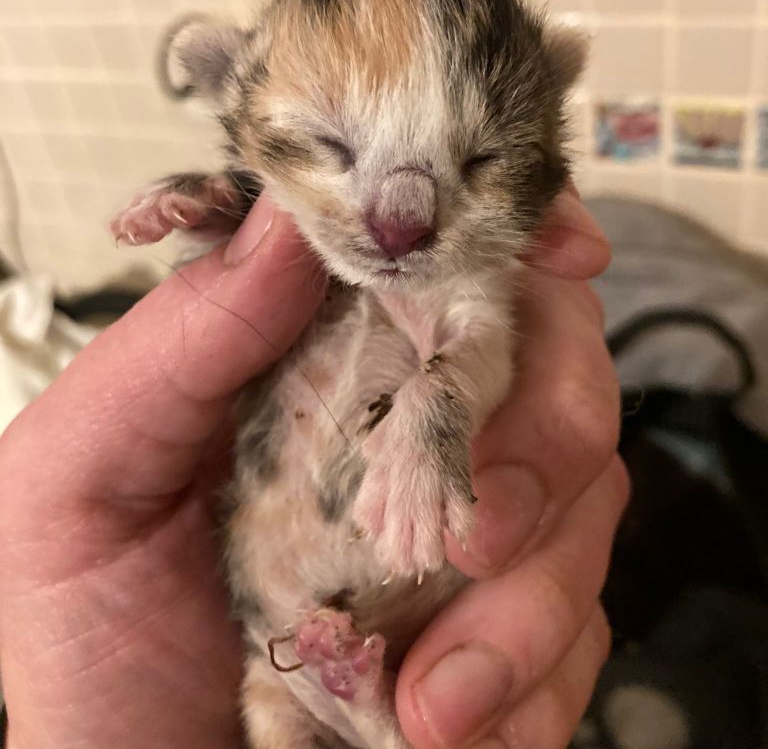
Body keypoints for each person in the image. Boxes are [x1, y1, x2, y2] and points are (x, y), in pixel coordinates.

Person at [0, 187, 628, 749]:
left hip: (336, 615)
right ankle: (374, 710)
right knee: (312, 704)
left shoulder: (444, 240)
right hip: (289, 636)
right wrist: (222, 207)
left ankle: (374, 710)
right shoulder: (297, 205)